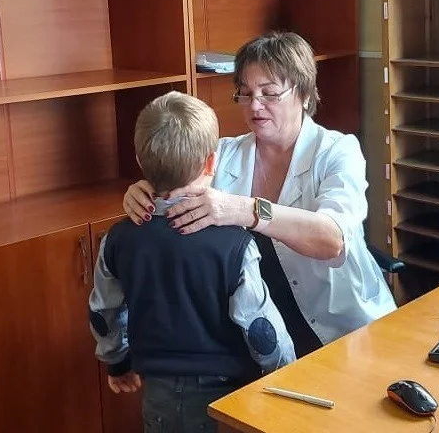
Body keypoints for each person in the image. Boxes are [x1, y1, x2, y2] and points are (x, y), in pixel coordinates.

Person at [123, 31, 397, 358]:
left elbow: (331, 238)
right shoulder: (223, 154)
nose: (255, 105)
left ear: (303, 93)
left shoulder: (337, 151)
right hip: (259, 330)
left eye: (269, 93)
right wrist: (143, 193)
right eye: (245, 93)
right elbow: (174, 189)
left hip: (341, 327)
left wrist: (248, 210)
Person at [89, 91, 296, 433]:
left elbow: (103, 311)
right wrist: (284, 372)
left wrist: (117, 362)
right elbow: (261, 328)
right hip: (225, 398)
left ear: (139, 161)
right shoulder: (236, 243)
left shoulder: (119, 239)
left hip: (157, 394)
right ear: (212, 163)